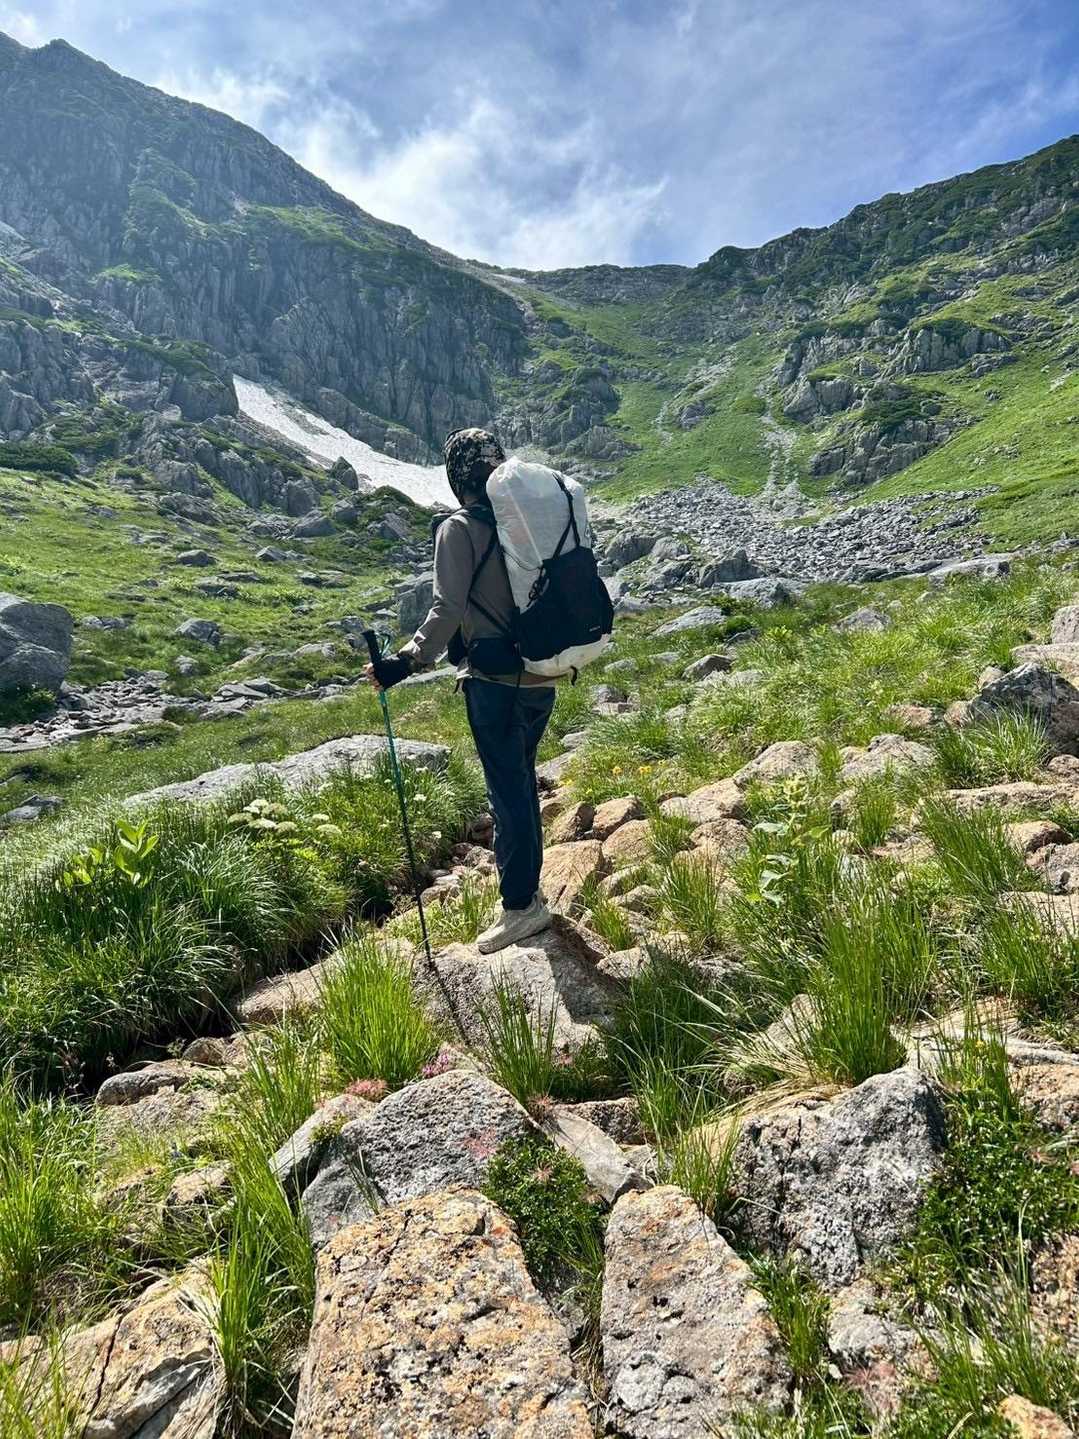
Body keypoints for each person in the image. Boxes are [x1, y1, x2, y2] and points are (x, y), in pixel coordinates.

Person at [366, 427, 557, 955]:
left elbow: (446, 609)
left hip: (494, 682)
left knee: (508, 792)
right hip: (541, 674)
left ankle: (521, 907)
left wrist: (405, 662)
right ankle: (528, 892)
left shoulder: (459, 528)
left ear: (457, 478)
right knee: (521, 784)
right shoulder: (527, 521)